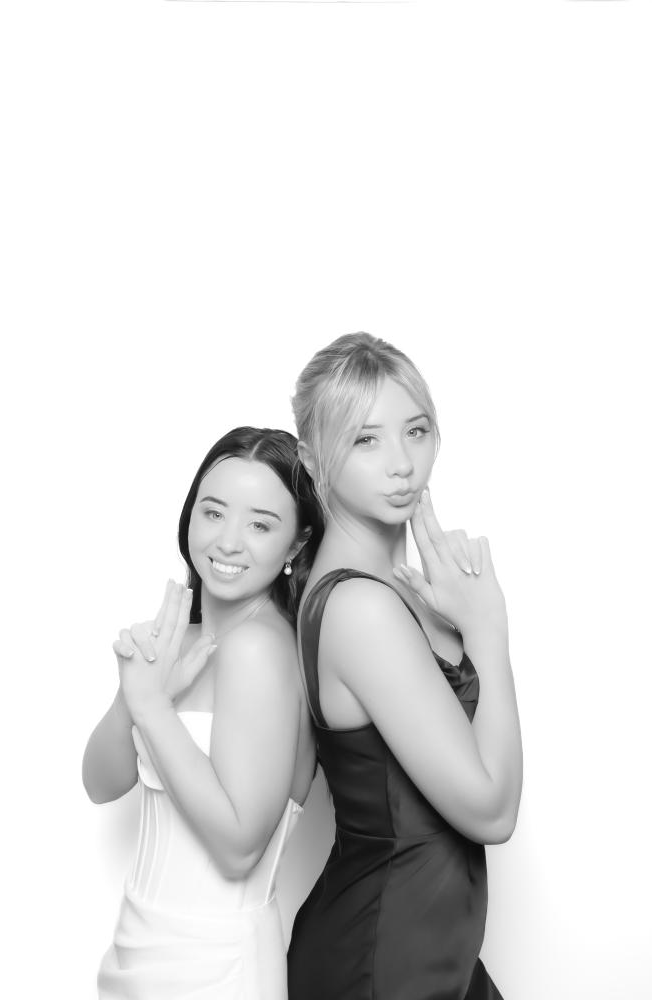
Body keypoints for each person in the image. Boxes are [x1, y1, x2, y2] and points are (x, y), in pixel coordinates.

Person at [287, 333, 522, 1000]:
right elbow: (491, 813)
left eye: (415, 431)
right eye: (365, 439)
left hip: (431, 943)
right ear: (312, 457)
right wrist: (488, 631)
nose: (401, 464)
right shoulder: (360, 608)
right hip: (385, 957)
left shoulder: (405, 592)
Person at [83, 426, 323, 1000]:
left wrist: (152, 708)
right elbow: (100, 784)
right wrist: (134, 695)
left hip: (215, 964)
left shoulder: (260, 649)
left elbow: (239, 848)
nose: (228, 542)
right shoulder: (182, 640)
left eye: (260, 525)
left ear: (296, 546)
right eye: (213, 512)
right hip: (140, 946)